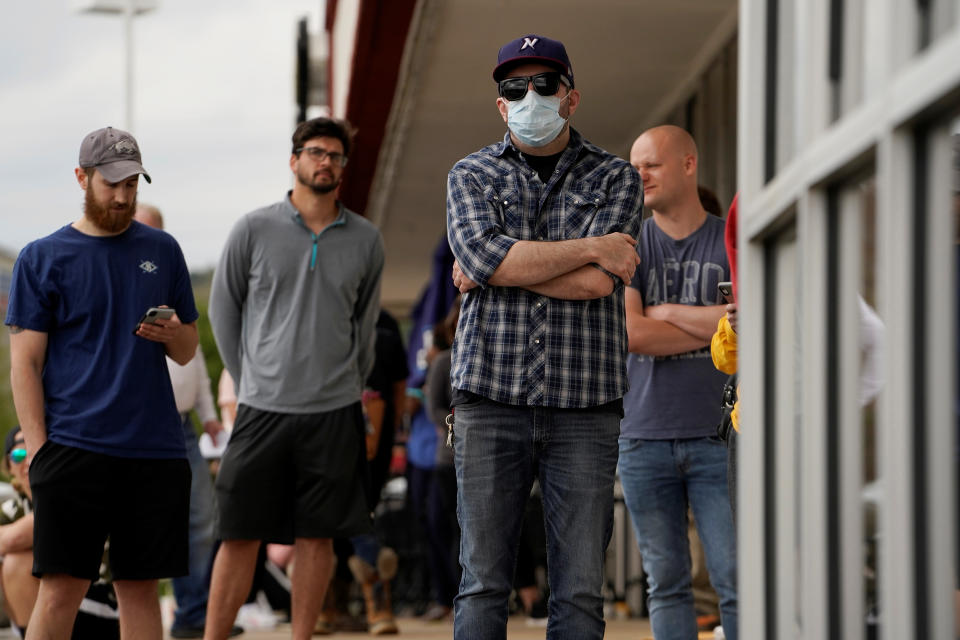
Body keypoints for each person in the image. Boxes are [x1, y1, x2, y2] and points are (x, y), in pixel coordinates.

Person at [445, 34, 643, 639]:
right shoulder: (470, 174)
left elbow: (596, 285)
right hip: (489, 398)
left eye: (544, 84)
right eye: (514, 88)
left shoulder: (617, 178)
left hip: (585, 405)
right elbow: (487, 257)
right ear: (501, 105)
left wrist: (499, 268)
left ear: (571, 96)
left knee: (581, 592)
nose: (530, 96)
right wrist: (587, 249)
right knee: (482, 584)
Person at [6, 126, 198, 639]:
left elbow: (187, 351)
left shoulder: (164, 249)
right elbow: (23, 365)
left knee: (140, 589)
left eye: (132, 184)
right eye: (111, 184)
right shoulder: (42, 258)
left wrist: (174, 332)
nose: (122, 196)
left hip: (154, 450)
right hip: (72, 449)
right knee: (61, 588)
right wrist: (41, 453)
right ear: (81, 178)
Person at [206, 117, 384, 640]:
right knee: (239, 535)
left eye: (335, 155)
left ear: (342, 168)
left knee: (318, 537)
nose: (325, 161)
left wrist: (348, 386)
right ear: (294, 160)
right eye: (314, 152)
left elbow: (365, 326)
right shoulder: (253, 228)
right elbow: (223, 314)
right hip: (261, 409)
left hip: (333, 411)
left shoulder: (366, 240)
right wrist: (249, 379)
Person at [618, 125, 737, 640]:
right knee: (665, 582)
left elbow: (747, 326)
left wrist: (664, 309)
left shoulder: (730, 241)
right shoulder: (628, 243)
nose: (639, 175)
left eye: (652, 164)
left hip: (721, 435)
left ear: (688, 165)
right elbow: (632, 333)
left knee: (736, 578)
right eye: (635, 165)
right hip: (643, 435)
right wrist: (711, 320)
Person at [132, 204, 238, 639]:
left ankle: (194, 614)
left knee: (202, 520)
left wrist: (209, 416)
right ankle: (177, 612)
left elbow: (194, 363)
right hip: (139, 425)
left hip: (184, 426)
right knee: (147, 526)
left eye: (157, 232)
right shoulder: (125, 285)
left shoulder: (170, 284)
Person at [0, 426, 121, 639]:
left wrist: (16, 538)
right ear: (8, 467)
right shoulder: (12, 508)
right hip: (56, 601)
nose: (28, 458)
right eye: (18, 454)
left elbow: (13, 538)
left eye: (34, 448)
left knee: (17, 563)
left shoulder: (70, 493)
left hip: (99, 605)